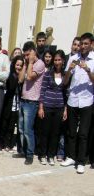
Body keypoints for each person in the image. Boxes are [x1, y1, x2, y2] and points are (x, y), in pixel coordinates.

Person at [61, 32, 94, 174]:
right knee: (71, 132)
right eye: (81, 44)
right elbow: (65, 81)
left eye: (86, 44)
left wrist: (87, 70)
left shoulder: (93, 60)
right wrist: (69, 69)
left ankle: (81, 161)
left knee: (83, 133)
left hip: (87, 100)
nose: (83, 46)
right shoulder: (73, 58)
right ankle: (71, 157)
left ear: (91, 44)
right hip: (73, 99)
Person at [37, 50, 67, 166]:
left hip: (59, 107)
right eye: (55, 59)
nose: (57, 62)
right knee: (45, 132)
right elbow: (42, 90)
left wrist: (65, 109)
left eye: (59, 59)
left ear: (63, 61)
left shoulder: (65, 75)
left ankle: (51, 156)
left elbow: (66, 93)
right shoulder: (48, 73)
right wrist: (41, 107)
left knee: (55, 133)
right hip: (47, 106)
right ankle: (42, 155)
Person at [17, 41, 46, 165]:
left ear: (33, 52)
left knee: (28, 130)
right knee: (21, 129)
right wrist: (25, 64)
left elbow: (29, 77)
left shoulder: (39, 64)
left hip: (32, 101)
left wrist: (30, 62)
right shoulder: (27, 63)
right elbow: (20, 79)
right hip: (23, 100)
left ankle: (30, 154)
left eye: (28, 54)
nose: (26, 57)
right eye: (25, 55)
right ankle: (24, 151)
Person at [0, 55, 24, 152]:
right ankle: (1, 143)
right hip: (8, 103)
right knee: (4, 124)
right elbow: (12, 86)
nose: (18, 67)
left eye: (20, 66)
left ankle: (8, 144)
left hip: (17, 105)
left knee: (11, 126)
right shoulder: (10, 75)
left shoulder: (22, 76)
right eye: (17, 65)